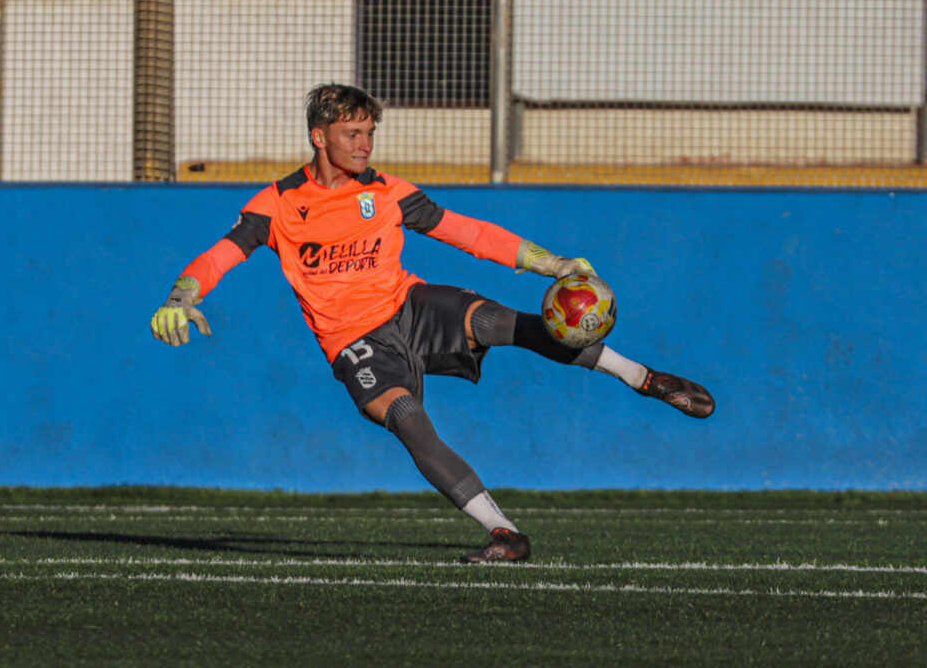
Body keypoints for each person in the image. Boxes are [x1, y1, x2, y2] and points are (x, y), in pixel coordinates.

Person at [151, 83, 714, 564]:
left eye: (371, 133)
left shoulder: (388, 192)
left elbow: (466, 231)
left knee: (506, 322)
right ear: (318, 137)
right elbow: (223, 253)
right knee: (410, 422)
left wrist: (552, 264)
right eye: (353, 134)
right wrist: (182, 296)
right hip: (354, 342)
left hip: (411, 306)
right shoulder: (276, 204)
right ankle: (504, 534)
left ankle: (644, 378)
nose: (365, 145)